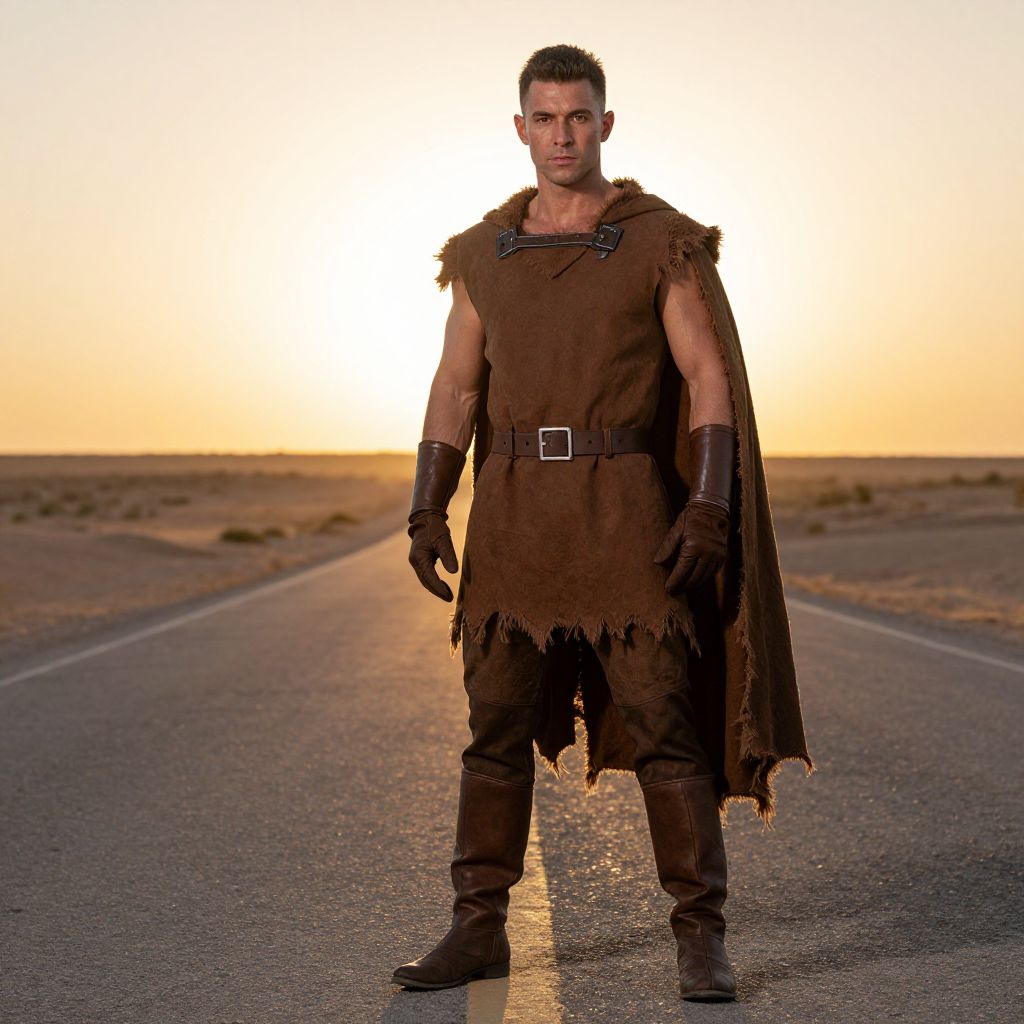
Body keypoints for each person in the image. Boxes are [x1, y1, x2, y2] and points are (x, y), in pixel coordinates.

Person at [393, 43, 813, 1002]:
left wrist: (708, 503)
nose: (561, 135)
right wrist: (427, 504)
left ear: (606, 124)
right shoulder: (481, 256)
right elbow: (455, 386)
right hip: (513, 520)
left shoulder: (656, 242)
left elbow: (706, 376)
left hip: (626, 517)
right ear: (520, 129)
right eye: (544, 118)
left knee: (667, 726)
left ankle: (699, 936)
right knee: (492, 731)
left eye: (578, 116)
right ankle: (477, 928)